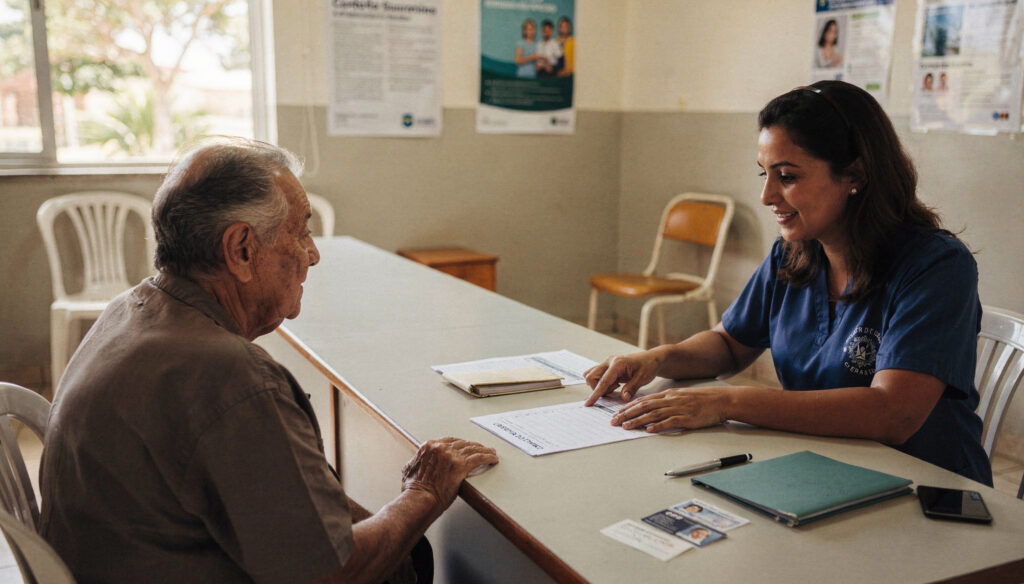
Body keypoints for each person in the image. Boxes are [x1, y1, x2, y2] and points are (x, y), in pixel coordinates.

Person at [39, 137, 499, 583]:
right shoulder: (230, 376)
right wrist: (424, 492)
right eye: (301, 232)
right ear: (241, 250)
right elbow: (331, 577)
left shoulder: (129, 309)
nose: (313, 254)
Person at [584, 81, 992, 486]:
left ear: (855, 174)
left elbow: (893, 414)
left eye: (787, 176)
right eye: (764, 174)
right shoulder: (794, 253)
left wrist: (729, 400)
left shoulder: (936, 266)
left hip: (926, 486)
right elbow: (729, 343)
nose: (766, 195)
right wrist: (659, 358)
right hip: (823, 468)